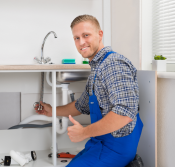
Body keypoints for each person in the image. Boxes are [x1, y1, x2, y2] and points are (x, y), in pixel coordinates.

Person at [35, 14, 143, 167]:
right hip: (99, 143)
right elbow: (81, 106)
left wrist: (84, 133)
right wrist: (52, 110)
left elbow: (125, 113)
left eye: (86, 35)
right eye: (76, 38)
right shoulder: (97, 69)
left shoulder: (113, 64)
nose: (81, 42)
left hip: (116, 150)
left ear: (100, 35)